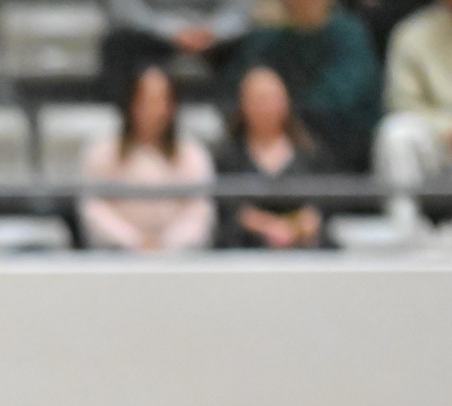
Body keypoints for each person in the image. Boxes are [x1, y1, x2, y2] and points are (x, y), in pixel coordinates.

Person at [234, 0, 385, 171]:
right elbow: (240, 85)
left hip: (342, 137)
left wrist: (289, 109)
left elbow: (341, 97)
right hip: (281, 136)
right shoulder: (270, 39)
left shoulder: (350, 34)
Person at [83, 65, 218, 251]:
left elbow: (200, 210)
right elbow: (93, 207)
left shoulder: (192, 153)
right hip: (117, 256)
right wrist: (134, 241)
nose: (153, 109)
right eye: (145, 99)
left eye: (160, 100)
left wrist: (167, 244)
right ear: (131, 103)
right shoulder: (104, 151)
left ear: (172, 106)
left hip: (178, 258)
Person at [216, 64, 331, 247]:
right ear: (243, 104)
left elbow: (322, 204)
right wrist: (268, 227)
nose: (266, 108)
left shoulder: (310, 152)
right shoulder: (228, 156)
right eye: (259, 100)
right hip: (246, 249)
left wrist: (294, 227)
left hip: (303, 248)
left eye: (272, 99)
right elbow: (229, 209)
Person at [375, 0, 452, 227]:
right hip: (436, 141)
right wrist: (445, 128)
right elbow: (402, 103)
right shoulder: (412, 34)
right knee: (396, 134)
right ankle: (405, 231)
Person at [103, 0, 257, 101]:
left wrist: (214, 30)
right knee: (119, 42)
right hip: (152, 32)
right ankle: (122, 128)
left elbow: (239, 9)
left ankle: (234, 124)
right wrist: (172, 31)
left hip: (213, 36)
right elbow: (125, 7)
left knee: (256, 44)